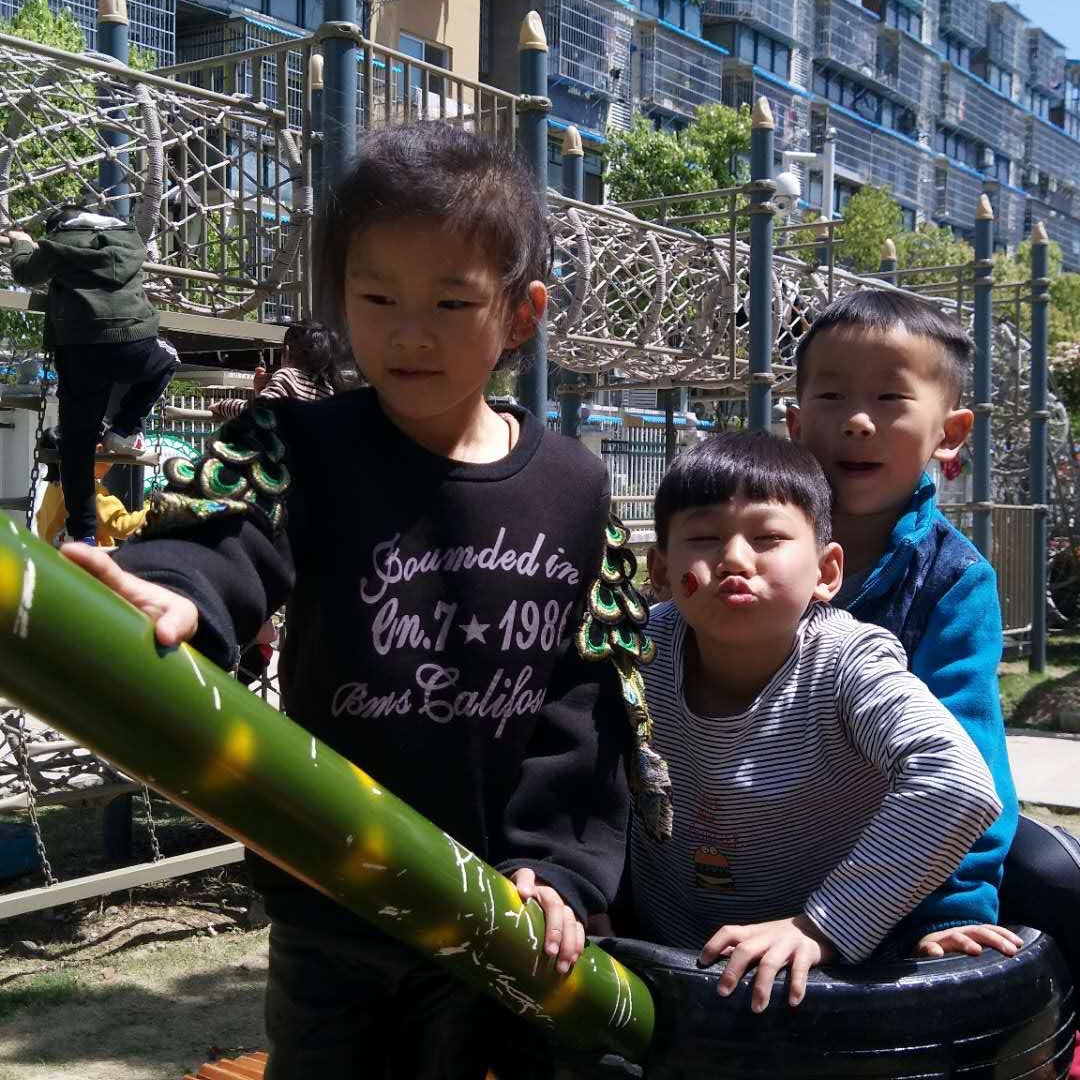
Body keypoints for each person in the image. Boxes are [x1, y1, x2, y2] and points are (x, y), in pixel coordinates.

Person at [62, 123, 655, 1078]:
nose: (408, 332)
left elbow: (582, 706)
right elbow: (227, 534)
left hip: (506, 907)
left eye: (451, 302)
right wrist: (176, 593)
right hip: (334, 901)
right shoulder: (305, 446)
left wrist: (561, 870)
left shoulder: (575, 491)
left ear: (521, 314)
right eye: (377, 298)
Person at [630, 431, 1006, 1013]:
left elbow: (957, 781)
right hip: (660, 965)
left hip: (827, 980)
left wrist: (821, 925)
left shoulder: (847, 662)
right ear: (659, 570)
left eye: (768, 538)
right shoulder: (635, 656)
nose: (734, 559)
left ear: (828, 572)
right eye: (703, 538)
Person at [786, 290, 1079, 970]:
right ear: (796, 423)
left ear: (951, 432)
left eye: (891, 398)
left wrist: (953, 909)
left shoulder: (952, 581)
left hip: (894, 865)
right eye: (831, 396)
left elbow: (969, 758)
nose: (858, 421)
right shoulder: (753, 552)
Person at [5, 203, 178, 545]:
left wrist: (22, 242)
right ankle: (125, 428)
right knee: (167, 359)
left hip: (81, 349)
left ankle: (83, 533)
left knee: (76, 445)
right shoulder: (130, 241)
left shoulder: (59, 242)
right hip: (133, 342)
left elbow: (25, 273)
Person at [210, 321, 345, 419]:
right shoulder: (328, 390)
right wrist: (261, 391)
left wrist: (223, 405)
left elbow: (259, 413)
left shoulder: (288, 376)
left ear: (286, 351)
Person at [36, 452, 146, 549]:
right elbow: (122, 526)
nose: (112, 465)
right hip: (86, 560)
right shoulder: (91, 490)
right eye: (112, 459)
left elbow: (40, 517)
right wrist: (152, 514)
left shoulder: (55, 484)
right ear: (99, 450)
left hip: (53, 556)